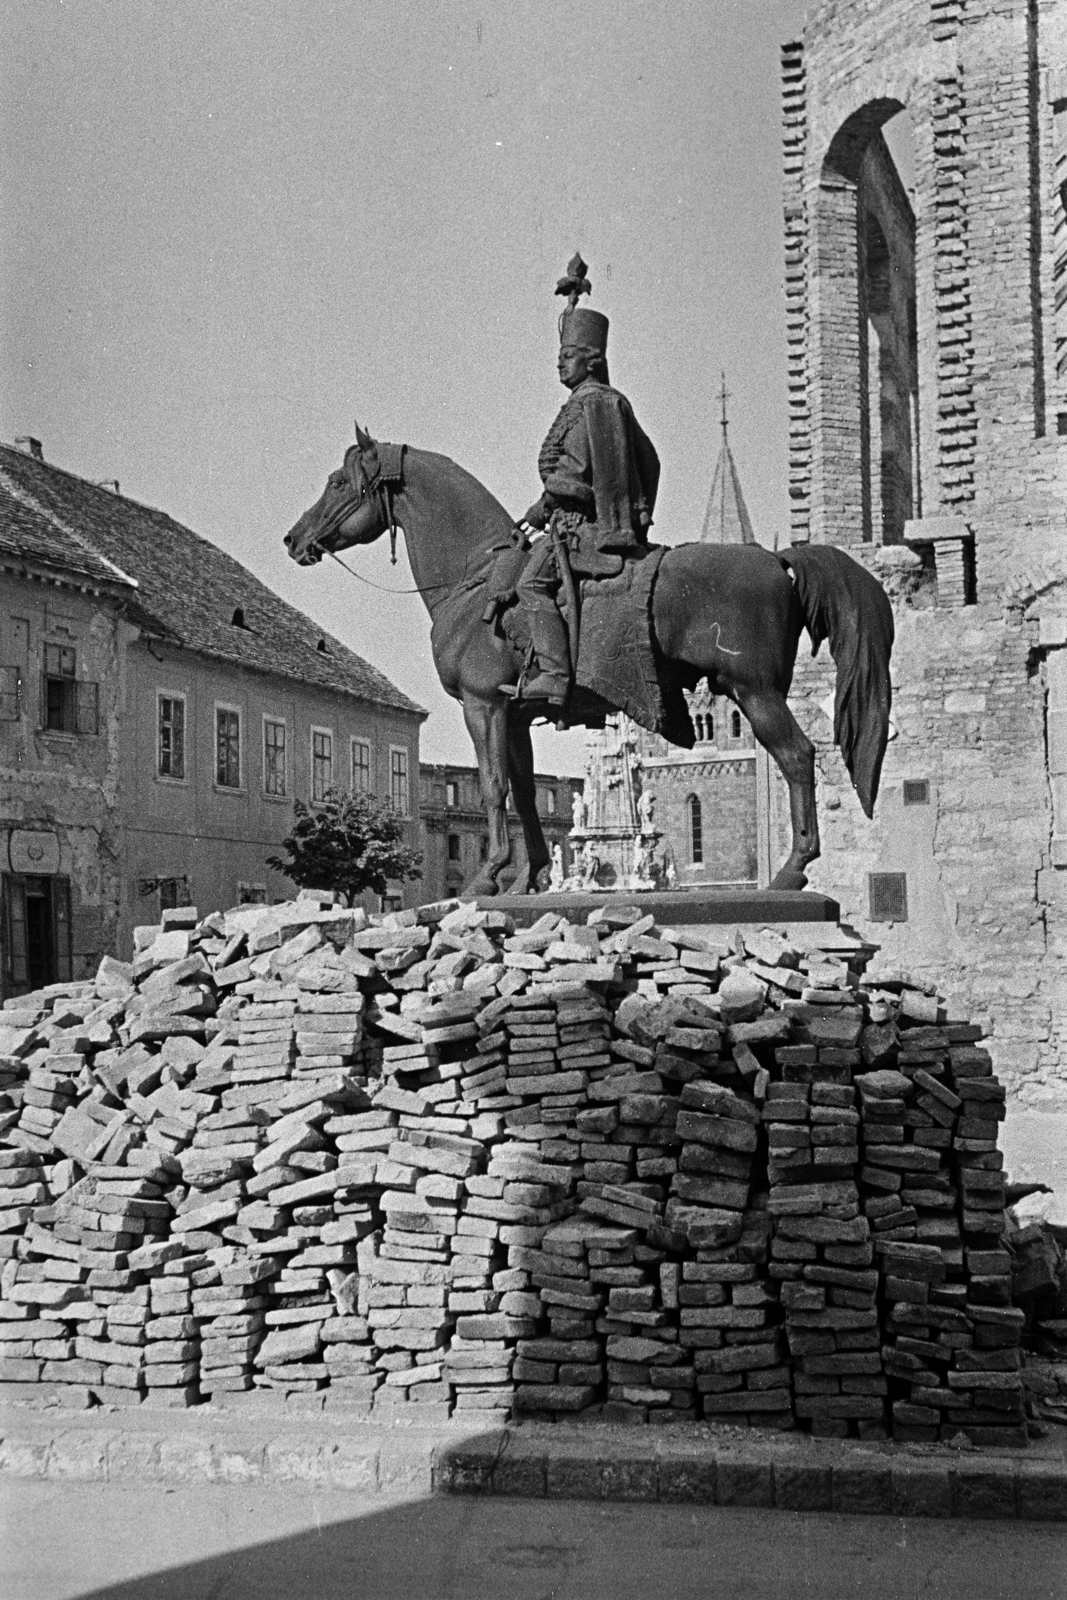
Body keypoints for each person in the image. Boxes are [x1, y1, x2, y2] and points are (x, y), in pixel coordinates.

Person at [502, 256, 660, 707]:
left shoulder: (590, 404)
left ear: (591, 362)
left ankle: (553, 674)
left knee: (530, 583)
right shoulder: (606, 402)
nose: (560, 365)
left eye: (568, 356)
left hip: (582, 529)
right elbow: (652, 461)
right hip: (586, 520)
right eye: (558, 357)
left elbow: (570, 476)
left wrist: (541, 508)